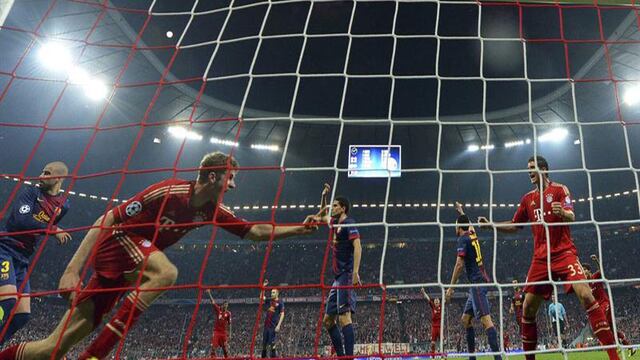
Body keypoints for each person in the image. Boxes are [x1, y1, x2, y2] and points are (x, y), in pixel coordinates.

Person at [0, 152, 319, 360]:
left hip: (127, 268)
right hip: (119, 242)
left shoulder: (211, 210)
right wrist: (72, 270)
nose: (233, 186)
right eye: (230, 178)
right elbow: (108, 219)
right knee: (166, 273)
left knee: (53, 349)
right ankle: (95, 356)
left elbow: (254, 232)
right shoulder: (167, 191)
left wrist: (298, 229)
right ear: (212, 176)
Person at [478, 156, 619, 360]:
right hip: (541, 259)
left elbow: (571, 214)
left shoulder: (561, 190)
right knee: (527, 308)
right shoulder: (528, 199)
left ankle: (615, 357)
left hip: (564, 254)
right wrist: (491, 225)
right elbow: (515, 225)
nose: (529, 172)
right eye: (528, 168)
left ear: (544, 169)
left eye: (532, 168)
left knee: (587, 295)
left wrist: (562, 212)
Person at [0, 162, 71, 344]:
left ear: (59, 178)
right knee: (7, 302)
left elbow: (40, 231)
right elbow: (22, 221)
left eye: (47, 173)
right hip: (5, 248)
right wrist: (53, 228)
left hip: (23, 258)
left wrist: (50, 228)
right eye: (42, 171)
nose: (41, 175)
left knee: (22, 315)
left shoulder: (64, 205)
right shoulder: (31, 193)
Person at [445, 202, 501, 360]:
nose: (455, 228)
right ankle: (472, 357)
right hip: (477, 283)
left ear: (459, 227)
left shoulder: (462, 239)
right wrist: (461, 212)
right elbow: (468, 224)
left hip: (477, 283)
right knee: (465, 320)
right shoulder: (472, 234)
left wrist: (450, 288)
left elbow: (459, 265)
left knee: (486, 321)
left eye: (456, 225)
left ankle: (498, 358)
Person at [318, 184, 361, 358]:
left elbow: (358, 246)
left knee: (344, 318)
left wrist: (356, 272)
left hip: (346, 274)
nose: (332, 208)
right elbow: (321, 215)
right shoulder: (335, 223)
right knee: (328, 321)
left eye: (335, 205)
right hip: (337, 278)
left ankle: (348, 357)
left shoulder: (349, 223)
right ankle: (342, 356)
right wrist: (324, 197)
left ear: (343, 208)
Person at [583, 255, 635, 356]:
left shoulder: (595, 277)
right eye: (582, 269)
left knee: (603, 324)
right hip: (598, 306)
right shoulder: (586, 284)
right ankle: (629, 346)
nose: (583, 272)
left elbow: (601, 270)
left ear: (589, 271)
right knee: (612, 330)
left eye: (585, 270)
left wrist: (596, 261)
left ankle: (614, 346)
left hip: (605, 304)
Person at [261, 280, 284, 358]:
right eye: (271, 292)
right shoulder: (269, 301)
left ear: (277, 293)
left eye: (273, 292)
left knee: (272, 345)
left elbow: (282, 314)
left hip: (273, 326)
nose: (271, 294)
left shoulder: (280, 302)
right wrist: (263, 287)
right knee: (264, 345)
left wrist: (278, 325)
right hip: (266, 326)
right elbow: (261, 297)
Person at [206, 289, 231, 358]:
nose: (225, 306)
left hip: (223, 333)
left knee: (225, 349)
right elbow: (213, 302)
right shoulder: (218, 310)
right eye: (224, 305)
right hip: (217, 332)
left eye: (227, 305)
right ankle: (212, 357)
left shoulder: (228, 314)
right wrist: (209, 293)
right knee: (213, 348)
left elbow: (229, 324)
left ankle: (227, 358)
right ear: (222, 305)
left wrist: (230, 333)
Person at [420, 287, 442, 355]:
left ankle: (443, 356)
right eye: (435, 300)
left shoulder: (442, 306)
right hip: (434, 327)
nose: (436, 301)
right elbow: (428, 299)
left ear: (439, 302)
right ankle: (433, 356)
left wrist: (450, 293)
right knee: (432, 343)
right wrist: (424, 293)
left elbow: (447, 298)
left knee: (442, 342)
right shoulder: (433, 307)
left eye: (437, 300)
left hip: (440, 327)